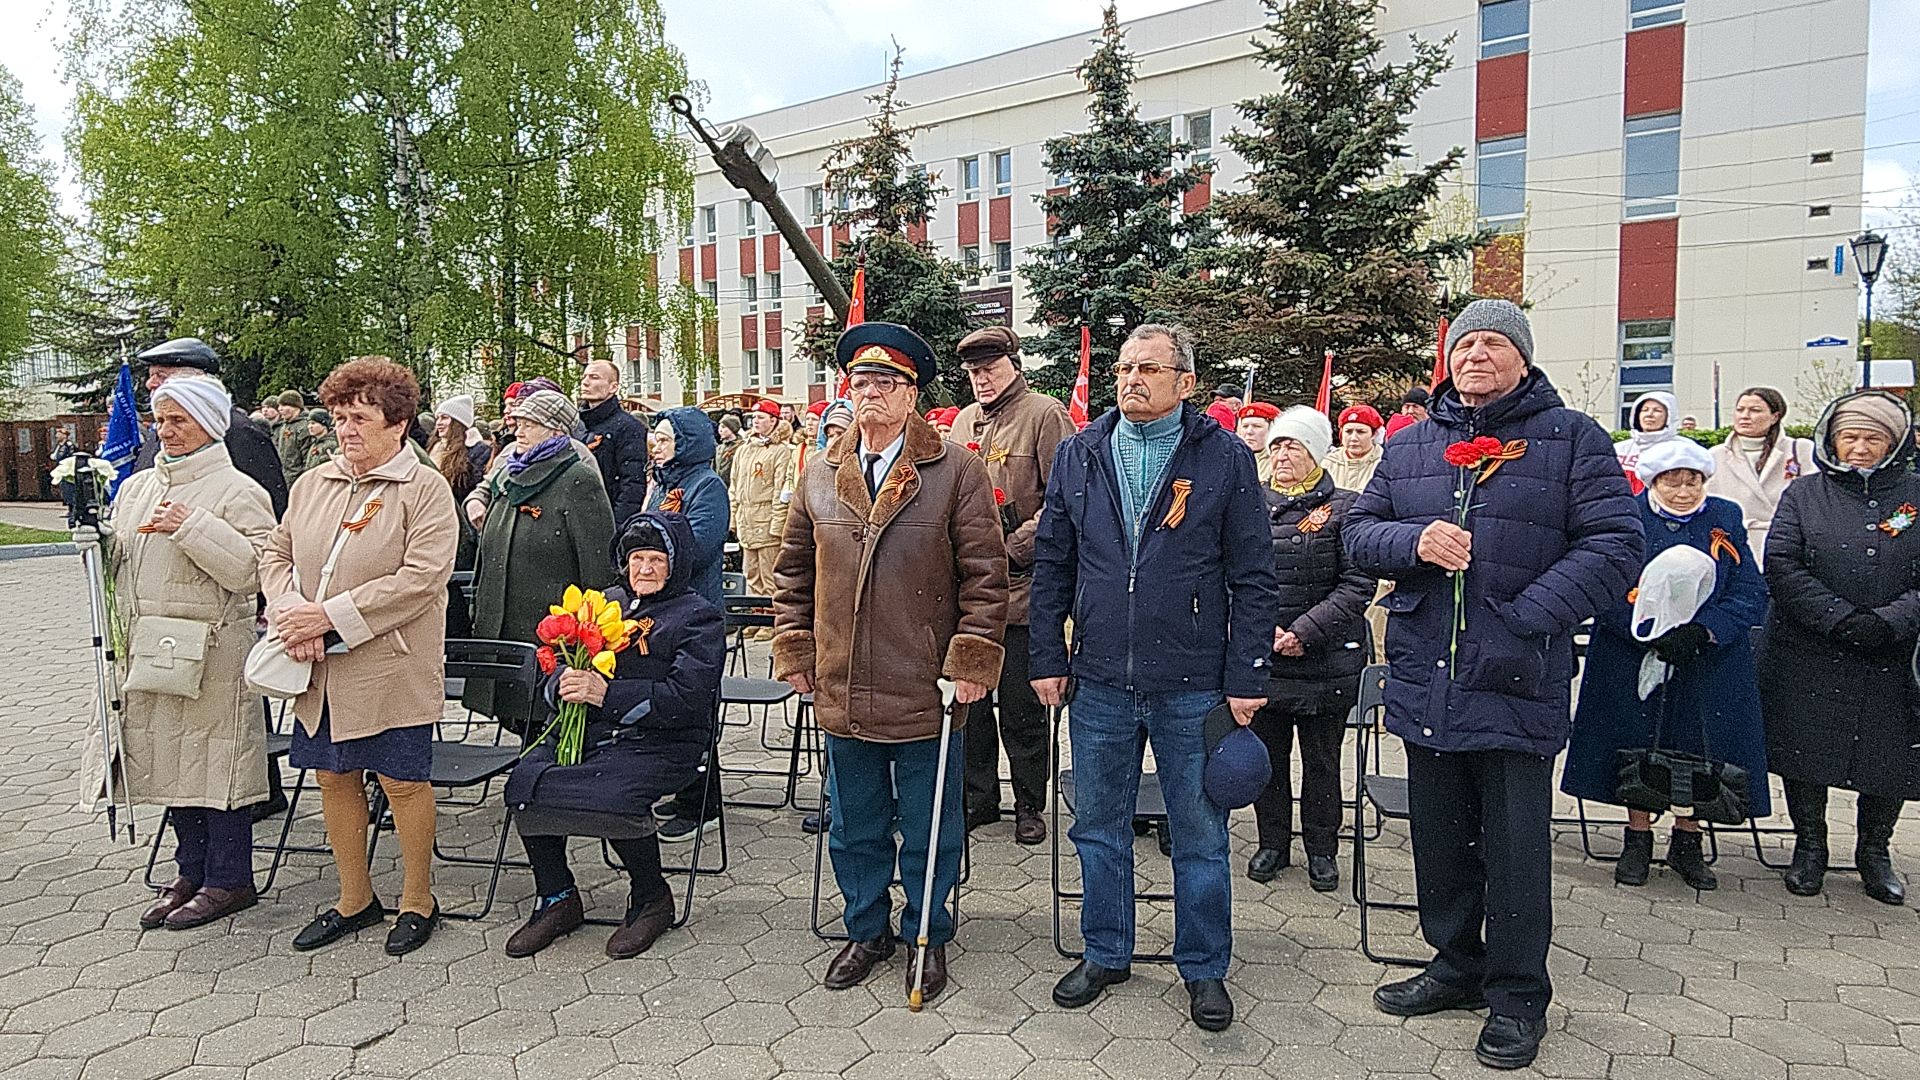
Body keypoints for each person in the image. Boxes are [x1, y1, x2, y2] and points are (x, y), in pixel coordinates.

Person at [1345, 300, 1641, 1070]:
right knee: (1439, 841)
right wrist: (1415, 539)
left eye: (1494, 343)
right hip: (1425, 678)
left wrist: (1529, 614)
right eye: (1465, 343)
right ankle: (1455, 965)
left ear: (1523, 358)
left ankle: (1516, 995)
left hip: (1515, 675)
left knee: (1513, 851)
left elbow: (1615, 544)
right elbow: (1357, 533)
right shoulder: (1412, 446)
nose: (1476, 354)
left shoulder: (1571, 438)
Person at [1030, 323, 1279, 1032]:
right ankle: (1106, 951)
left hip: (1194, 681)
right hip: (1100, 680)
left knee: (1199, 834)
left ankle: (1204, 969)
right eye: (1123, 368)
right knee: (1098, 828)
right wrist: (1047, 655)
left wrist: (1246, 672)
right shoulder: (1082, 452)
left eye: (1149, 368)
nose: (1132, 379)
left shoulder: (1225, 457)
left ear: (1186, 382)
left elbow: (1254, 577)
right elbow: (1053, 563)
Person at [773, 321, 1008, 1005]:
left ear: (912, 396)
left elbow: (986, 580)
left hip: (925, 688)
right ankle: (866, 929)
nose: (869, 393)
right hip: (841, 684)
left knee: (931, 825)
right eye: (861, 382)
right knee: (854, 822)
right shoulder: (820, 472)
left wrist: (971, 661)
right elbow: (792, 574)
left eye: (886, 383)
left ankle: (926, 932)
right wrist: (796, 650)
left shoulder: (955, 471)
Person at [260, 356, 459, 956]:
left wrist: (328, 616)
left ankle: (418, 899)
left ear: (397, 423)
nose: (345, 429)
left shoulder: (423, 489)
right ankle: (355, 899)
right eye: (340, 417)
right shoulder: (313, 483)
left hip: (390, 665)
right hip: (319, 664)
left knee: (402, 782)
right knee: (333, 776)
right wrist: (289, 608)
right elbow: (275, 553)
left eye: (360, 417)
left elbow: (421, 580)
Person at [501, 511, 726, 959]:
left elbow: (688, 699)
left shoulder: (697, 617)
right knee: (525, 781)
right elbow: (553, 663)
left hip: (664, 740)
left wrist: (609, 695)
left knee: (615, 794)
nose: (644, 569)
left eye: (656, 559)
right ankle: (557, 897)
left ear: (676, 564)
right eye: (636, 558)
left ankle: (651, 898)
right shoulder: (605, 603)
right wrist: (559, 682)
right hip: (590, 732)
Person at [105, 376, 277, 931]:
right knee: (171, 762)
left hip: (213, 654)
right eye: (161, 420)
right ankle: (190, 869)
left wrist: (192, 526)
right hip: (151, 648)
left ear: (209, 422)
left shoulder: (238, 490)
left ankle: (229, 879)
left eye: (179, 420)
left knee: (216, 764)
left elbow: (255, 569)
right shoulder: (135, 488)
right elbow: (123, 562)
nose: (166, 431)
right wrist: (99, 544)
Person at [1561, 438, 1769, 890]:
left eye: (1692, 482)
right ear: (1653, 481)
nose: (1683, 492)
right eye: (1672, 483)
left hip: (1705, 656)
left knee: (1696, 743)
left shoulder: (1724, 517)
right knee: (1636, 741)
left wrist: (1705, 629)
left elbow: (1749, 589)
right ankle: (1637, 838)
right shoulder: (1626, 518)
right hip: (1631, 650)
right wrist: (1646, 629)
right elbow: (1604, 583)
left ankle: (1688, 840)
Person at [1761, 390, 1920, 906]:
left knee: (1890, 755)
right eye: (1848, 436)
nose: (1858, 447)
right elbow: (1782, 561)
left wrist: (1890, 621)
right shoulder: (1804, 494)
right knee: (1806, 750)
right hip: (1812, 646)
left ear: (1895, 443)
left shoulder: (1915, 495)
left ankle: (1875, 851)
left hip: (1892, 652)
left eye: (1873, 438)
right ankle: (1811, 847)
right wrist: (1838, 617)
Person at [951, 326, 1076, 846]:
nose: (982, 380)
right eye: (974, 373)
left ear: (1013, 365)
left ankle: (1029, 803)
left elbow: (1067, 498)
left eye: (990, 370)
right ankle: (979, 800)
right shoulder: (962, 423)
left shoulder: (1045, 415)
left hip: (1023, 592)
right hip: (968, 594)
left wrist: (1015, 546)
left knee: (1022, 710)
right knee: (971, 707)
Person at [1248, 406, 1372, 892]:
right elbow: (1236, 577)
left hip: (1326, 658)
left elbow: (1358, 582)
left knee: (1322, 760)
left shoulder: (1348, 506)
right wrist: (1266, 634)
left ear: (1317, 453)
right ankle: (1272, 842)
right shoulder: (1252, 503)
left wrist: (1304, 630)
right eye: (1277, 445)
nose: (1281, 454)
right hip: (1266, 656)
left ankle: (1322, 848)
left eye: (1293, 445)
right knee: (1268, 756)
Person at [466, 390, 617, 728]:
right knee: (511, 712)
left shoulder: (578, 479)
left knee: (543, 714)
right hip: (501, 623)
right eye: (518, 422)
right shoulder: (508, 475)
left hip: (550, 628)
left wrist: (590, 636)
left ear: (557, 432)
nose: (518, 431)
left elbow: (599, 569)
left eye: (530, 424)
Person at [641, 406, 731, 844]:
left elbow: (696, 546)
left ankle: (703, 801)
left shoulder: (706, 486)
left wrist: (652, 547)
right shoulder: (662, 484)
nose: (655, 445)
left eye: (664, 438)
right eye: (654, 438)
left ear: (688, 443)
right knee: (666, 702)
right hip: (660, 610)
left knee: (693, 703)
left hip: (695, 612)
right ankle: (681, 787)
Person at [133, 338, 288, 519]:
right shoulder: (159, 432)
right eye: (151, 375)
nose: (149, 384)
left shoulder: (239, 432)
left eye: (161, 376)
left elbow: (269, 513)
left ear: (198, 382)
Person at [1707, 387, 1815, 554]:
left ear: (1775, 416)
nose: (1744, 416)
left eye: (1755, 410)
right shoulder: (1715, 455)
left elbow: (1813, 500)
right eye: (1740, 410)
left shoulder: (1800, 449)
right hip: (1732, 544)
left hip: (1788, 543)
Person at [729, 400, 796, 643]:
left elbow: (782, 490)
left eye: (761, 417)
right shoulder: (744, 449)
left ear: (773, 420)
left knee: (769, 575)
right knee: (751, 573)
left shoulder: (781, 451)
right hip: (747, 518)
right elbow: (734, 486)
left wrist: (778, 525)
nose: (755, 421)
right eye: (753, 417)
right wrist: (733, 517)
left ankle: (771, 619)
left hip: (766, 518)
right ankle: (755, 617)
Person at [579, 360, 651, 526]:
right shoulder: (578, 425)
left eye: (594, 377)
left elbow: (632, 485)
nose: (585, 382)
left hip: (607, 519)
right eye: (584, 377)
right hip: (580, 519)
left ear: (613, 387)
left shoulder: (629, 428)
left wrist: (617, 528)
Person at [1615, 391, 1678, 494]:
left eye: (1657, 410)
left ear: (1669, 415)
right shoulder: (1619, 449)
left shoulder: (1680, 450)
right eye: (1644, 410)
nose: (1649, 414)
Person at [1323, 404, 1384, 493]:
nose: (1353, 438)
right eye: (1348, 431)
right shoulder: (1327, 463)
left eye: (1361, 432)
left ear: (1374, 434)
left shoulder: (1384, 463)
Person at [272, 390, 312, 485]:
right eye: (279, 406)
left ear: (296, 407)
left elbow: (307, 458)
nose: (280, 409)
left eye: (284, 405)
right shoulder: (283, 426)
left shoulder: (304, 427)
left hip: (298, 479)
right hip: (284, 477)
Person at [1235, 402, 1279, 485]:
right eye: (1245, 426)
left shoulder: (1281, 462)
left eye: (1257, 426)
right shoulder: (1232, 459)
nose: (1249, 432)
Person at [301, 410, 338, 475]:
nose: (309, 426)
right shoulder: (314, 444)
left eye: (313, 423)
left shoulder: (331, 445)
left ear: (324, 425)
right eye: (309, 423)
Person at [714, 413, 743, 485]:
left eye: (723, 427)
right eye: (719, 427)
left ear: (732, 429)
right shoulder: (719, 448)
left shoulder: (741, 447)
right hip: (720, 486)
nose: (720, 430)